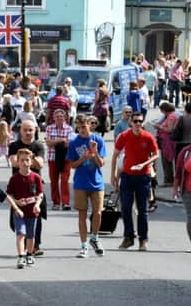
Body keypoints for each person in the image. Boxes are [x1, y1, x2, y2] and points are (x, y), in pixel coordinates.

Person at [111, 112, 159, 251]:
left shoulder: (148, 137)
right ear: (130, 122)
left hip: (143, 177)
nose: (138, 124)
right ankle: (128, 238)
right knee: (126, 208)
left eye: (140, 121)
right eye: (135, 121)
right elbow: (115, 155)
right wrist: (113, 176)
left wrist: (144, 164)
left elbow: (156, 154)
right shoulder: (124, 136)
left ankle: (143, 239)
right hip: (127, 176)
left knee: (143, 210)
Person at [67, 115, 106, 258]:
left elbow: (101, 163)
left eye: (84, 126)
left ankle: (94, 237)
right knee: (82, 215)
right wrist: (82, 158)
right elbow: (72, 165)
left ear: (89, 125)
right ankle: (83, 246)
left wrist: (94, 152)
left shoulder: (98, 140)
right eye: (78, 127)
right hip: (81, 183)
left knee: (98, 213)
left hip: (96, 182)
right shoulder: (74, 142)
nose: (81, 129)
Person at [8, 120, 46, 256]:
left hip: (35, 185)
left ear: (35, 131)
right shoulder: (14, 146)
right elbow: (13, 162)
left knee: (36, 216)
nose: (28, 133)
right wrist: (27, 162)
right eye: (25, 130)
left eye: (31, 130)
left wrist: (28, 157)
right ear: (20, 131)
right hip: (17, 186)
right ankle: (23, 242)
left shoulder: (39, 146)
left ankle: (34, 246)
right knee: (16, 219)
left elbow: (40, 165)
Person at [7, 149, 44, 269]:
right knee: (20, 234)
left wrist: (37, 204)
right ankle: (21, 256)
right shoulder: (14, 178)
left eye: (27, 160)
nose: (24, 162)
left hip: (32, 212)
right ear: (18, 162)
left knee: (30, 235)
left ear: (31, 162)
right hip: (19, 212)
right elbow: (9, 195)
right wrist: (16, 203)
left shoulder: (36, 177)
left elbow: (40, 194)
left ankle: (29, 254)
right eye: (21, 160)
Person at [45, 109, 74, 210]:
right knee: (54, 180)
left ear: (65, 118)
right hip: (52, 158)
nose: (59, 118)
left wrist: (55, 141)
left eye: (61, 116)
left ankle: (65, 202)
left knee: (65, 180)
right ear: (53, 118)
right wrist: (61, 140)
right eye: (57, 116)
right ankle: (56, 202)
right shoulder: (49, 128)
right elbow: (48, 142)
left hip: (66, 158)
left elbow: (69, 143)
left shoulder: (69, 129)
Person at [152, 101, 178, 186]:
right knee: (168, 160)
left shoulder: (171, 117)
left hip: (167, 141)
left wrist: (159, 127)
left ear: (165, 109)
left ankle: (169, 180)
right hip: (168, 141)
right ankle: (171, 180)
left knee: (166, 161)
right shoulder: (172, 115)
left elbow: (170, 129)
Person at [173, 142, 191, 252]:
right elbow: (179, 172)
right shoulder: (185, 152)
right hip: (188, 191)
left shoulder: (185, 151)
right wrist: (175, 188)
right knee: (190, 217)